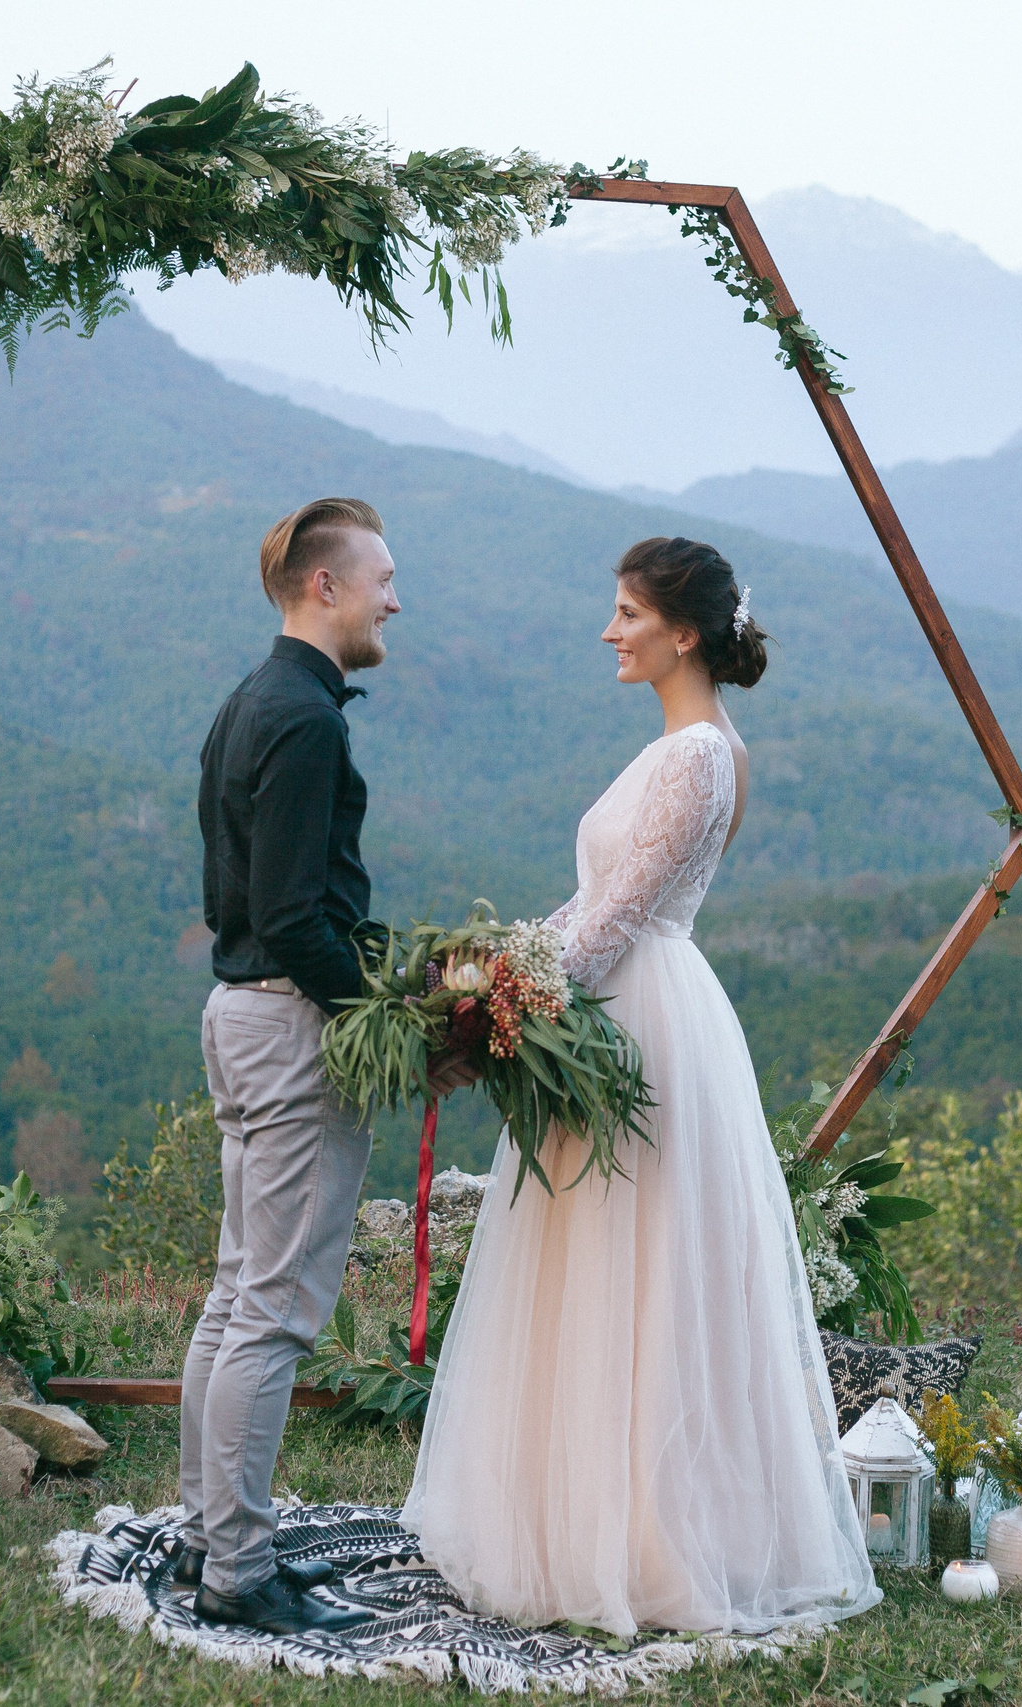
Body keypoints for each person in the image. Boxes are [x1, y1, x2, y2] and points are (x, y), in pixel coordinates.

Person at [403, 537, 880, 1637]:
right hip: (608, 998)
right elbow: (590, 908)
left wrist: (492, 1010)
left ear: (679, 633)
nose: (609, 631)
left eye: (625, 613)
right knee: (590, 1266)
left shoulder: (700, 755)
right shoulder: (682, 745)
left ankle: (650, 1540)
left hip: (641, 1023)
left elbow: (618, 920)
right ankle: (578, 1518)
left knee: (643, 1271)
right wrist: (490, 972)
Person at [178, 496, 470, 1637]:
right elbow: (299, 918)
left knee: (235, 1294)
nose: (397, 596)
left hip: (240, 1014)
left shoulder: (253, 701)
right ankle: (240, 1573)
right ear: (325, 589)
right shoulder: (303, 722)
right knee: (278, 1313)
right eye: (384, 577)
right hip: (294, 1023)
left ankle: (214, 1534)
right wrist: (397, 1025)